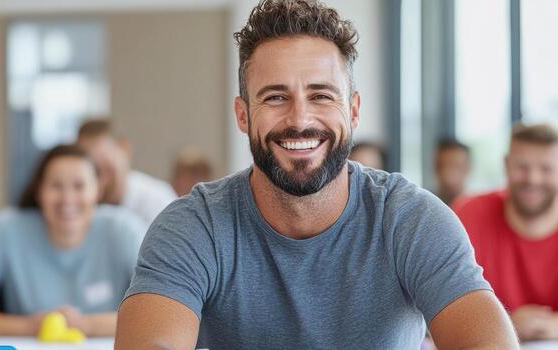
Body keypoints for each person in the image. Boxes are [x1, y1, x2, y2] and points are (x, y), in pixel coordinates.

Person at [115, 1, 518, 349]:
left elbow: (486, 342)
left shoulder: (410, 219)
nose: (300, 119)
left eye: (321, 95)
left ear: (354, 110)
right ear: (243, 114)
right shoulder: (193, 225)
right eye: (275, 97)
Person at [0, 145, 145, 337]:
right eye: (56, 186)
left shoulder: (124, 229)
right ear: (39, 190)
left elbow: (159, 310)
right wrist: (29, 326)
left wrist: (87, 325)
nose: (67, 199)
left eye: (79, 186)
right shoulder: (7, 230)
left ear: (98, 189)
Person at [455, 123, 558, 341]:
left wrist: (549, 327)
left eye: (546, 169)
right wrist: (510, 324)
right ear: (506, 166)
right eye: (522, 167)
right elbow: (443, 311)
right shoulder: (468, 214)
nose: (533, 179)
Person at [77, 119, 176, 225]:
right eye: (93, 170)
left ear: (125, 150)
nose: (101, 180)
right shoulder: (79, 205)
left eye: (106, 167)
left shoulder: (158, 200)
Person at [434, 138, 471, 207]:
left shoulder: (477, 208)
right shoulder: (425, 206)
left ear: (468, 168)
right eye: (443, 165)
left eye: (456, 166)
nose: (448, 173)